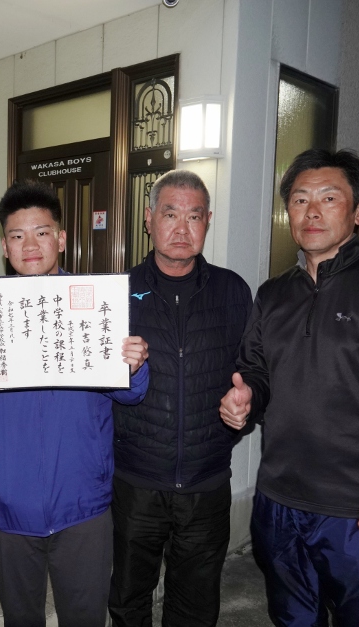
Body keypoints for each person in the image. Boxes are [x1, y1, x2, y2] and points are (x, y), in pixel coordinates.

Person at [220, 148, 359, 626]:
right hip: (279, 502)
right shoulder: (273, 294)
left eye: (329, 198)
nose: (312, 211)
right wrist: (247, 399)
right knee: (292, 619)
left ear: (358, 210)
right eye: (300, 200)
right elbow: (257, 371)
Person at [0, 180, 150, 627]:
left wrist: (134, 365)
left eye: (42, 232)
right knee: (21, 618)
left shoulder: (96, 306)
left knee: (86, 618)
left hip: (83, 503)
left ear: (61, 238)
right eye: (17, 236)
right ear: (4, 246)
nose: (30, 245)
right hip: (9, 504)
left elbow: (130, 393)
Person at [107, 170, 253, 626]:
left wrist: (247, 406)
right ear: (149, 219)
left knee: (195, 607)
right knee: (128, 601)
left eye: (194, 216)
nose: (182, 228)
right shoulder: (117, 292)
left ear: (207, 221)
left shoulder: (232, 291)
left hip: (206, 483)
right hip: (136, 481)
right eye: (170, 214)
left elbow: (253, 373)